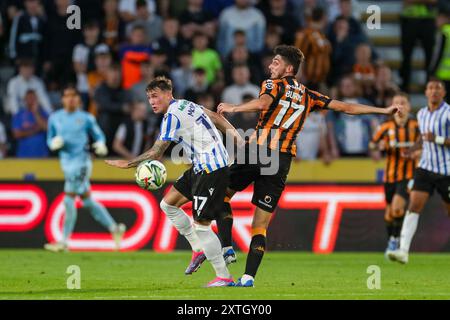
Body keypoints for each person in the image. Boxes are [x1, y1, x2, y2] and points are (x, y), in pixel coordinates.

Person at [217, 45, 403, 287]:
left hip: (259, 150)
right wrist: (383, 110)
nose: (271, 66)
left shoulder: (273, 84)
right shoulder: (309, 95)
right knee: (260, 225)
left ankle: (227, 247)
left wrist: (234, 107)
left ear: (289, 68)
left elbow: (263, 104)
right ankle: (248, 277)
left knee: (222, 195)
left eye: (275, 62)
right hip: (282, 160)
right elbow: (347, 108)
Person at [105, 77, 244, 287]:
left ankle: (224, 277)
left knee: (202, 226)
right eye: (149, 97)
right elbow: (216, 117)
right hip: (201, 166)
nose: (151, 101)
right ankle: (198, 249)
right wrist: (240, 140)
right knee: (167, 204)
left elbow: (157, 152)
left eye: (155, 96)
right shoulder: (187, 104)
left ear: (168, 94)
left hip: (211, 168)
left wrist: (129, 164)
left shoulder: (171, 115)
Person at [44, 85, 126, 252]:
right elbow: (49, 139)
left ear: (79, 100)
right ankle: (115, 228)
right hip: (66, 163)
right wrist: (53, 144)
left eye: (74, 96)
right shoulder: (55, 118)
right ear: (62, 99)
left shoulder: (86, 117)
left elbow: (99, 135)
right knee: (88, 202)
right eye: (67, 96)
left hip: (82, 162)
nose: (71, 99)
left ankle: (64, 242)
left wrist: (101, 144)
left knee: (69, 198)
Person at [389, 79, 450, 264]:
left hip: (446, 170)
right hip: (425, 168)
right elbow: (424, 138)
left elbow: (433, 138)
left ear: (444, 93)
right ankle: (403, 251)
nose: (434, 92)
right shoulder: (422, 113)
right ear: (425, 92)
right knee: (414, 206)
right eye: (431, 88)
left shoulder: (448, 113)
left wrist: (438, 139)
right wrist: (413, 148)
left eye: (438, 89)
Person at [369, 92, 420, 258]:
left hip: (409, 174)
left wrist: (417, 153)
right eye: (396, 103)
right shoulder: (385, 127)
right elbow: (372, 145)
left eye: (403, 103)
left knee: (398, 208)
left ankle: (395, 241)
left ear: (409, 106)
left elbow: (426, 145)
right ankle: (392, 239)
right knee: (390, 213)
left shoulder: (416, 125)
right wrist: (379, 147)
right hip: (390, 175)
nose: (399, 106)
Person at [12, 89, 49, 158]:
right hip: (23, 155)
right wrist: (36, 130)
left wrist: (36, 113)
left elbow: (46, 128)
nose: (31, 100)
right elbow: (17, 134)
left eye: (33, 98)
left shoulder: (43, 113)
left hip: (42, 154)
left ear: (37, 99)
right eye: (29, 98)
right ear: (24, 100)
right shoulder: (19, 115)